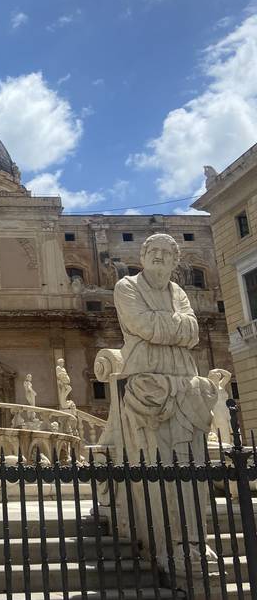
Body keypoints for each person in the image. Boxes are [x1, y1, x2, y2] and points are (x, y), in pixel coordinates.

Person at [113, 232, 217, 567]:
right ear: (141, 257)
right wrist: (175, 330)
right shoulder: (126, 287)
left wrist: (163, 328)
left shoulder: (179, 292)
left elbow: (194, 331)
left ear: (175, 261)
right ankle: (168, 541)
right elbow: (141, 324)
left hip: (187, 385)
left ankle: (194, 538)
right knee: (155, 464)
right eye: (153, 251)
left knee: (193, 464)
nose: (159, 257)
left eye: (166, 253)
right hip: (148, 386)